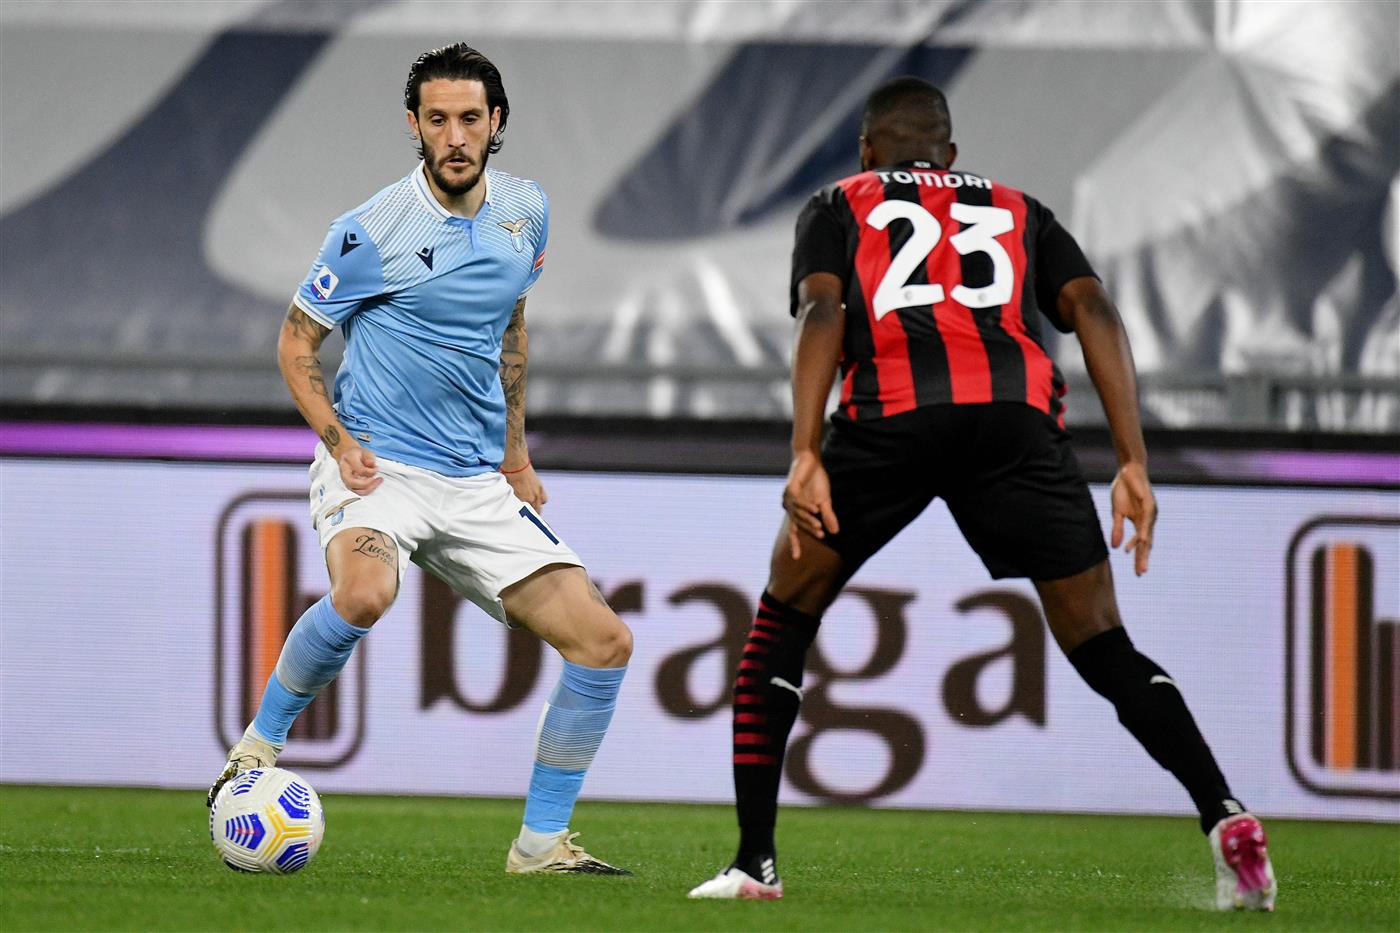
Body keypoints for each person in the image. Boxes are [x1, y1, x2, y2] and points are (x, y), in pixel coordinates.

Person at [689, 76, 1276, 910]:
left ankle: (755, 863)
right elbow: (1094, 309)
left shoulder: (838, 202)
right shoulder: (1019, 208)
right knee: (1102, 643)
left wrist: (805, 450)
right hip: (1015, 420)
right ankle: (1225, 813)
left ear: (867, 150)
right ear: (950, 153)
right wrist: (1133, 461)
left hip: (891, 414)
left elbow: (823, 309)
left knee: (782, 620)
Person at [207, 43, 633, 876]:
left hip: (474, 479)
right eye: (437, 119)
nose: (455, 136)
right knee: (366, 591)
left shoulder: (527, 210)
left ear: (496, 121)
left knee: (604, 640)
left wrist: (515, 455)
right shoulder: (370, 230)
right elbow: (295, 344)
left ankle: (539, 846)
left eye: (470, 118)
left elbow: (511, 326)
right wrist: (340, 443)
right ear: (414, 125)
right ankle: (256, 748)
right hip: (379, 465)